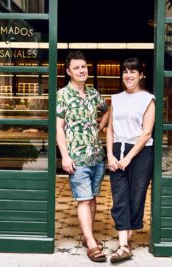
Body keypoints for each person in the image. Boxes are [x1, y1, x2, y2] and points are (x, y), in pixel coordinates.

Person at [56, 51, 109, 262]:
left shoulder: (93, 94)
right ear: (68, 71)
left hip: (97, 156)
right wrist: (65, 156)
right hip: (77, 159)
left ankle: (90, 238)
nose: (82, 70)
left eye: (84, 66)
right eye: (77, 67)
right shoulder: (62, 96)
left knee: (92, 198)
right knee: (84, 200)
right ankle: (91, 244)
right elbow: (58, 128)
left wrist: (99, 128)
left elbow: (107, 110)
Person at [106, 57, 155, 263]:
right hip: (117, 148)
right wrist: (110, 154)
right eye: (125, 71)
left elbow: (146, 133)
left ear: (141, 75)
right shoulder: (116, 99)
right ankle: (124, 245)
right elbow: (110, 129)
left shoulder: (148, 99)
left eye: (132, 71)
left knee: (136, 196)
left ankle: (124, 244)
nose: (128, 75)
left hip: (140, 152)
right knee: (119, 197)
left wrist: (127, 157)